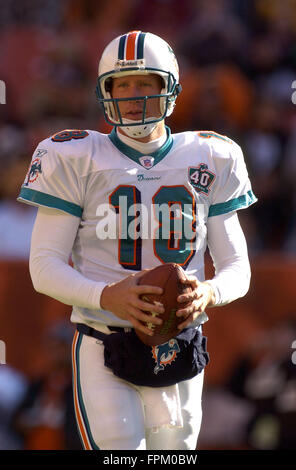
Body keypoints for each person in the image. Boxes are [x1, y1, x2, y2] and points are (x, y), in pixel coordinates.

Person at [17, 30, 257, 450]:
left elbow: (238, 266)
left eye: (145, 82)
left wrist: (209, 292)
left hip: (179, 337)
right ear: (104, 91)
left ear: (170, 89)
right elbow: (43, 266)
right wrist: (107, 295)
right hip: (103, 337)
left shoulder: (212, 155)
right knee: (119, 451)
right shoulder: (74, 155)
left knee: (174, 454)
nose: (132, 94)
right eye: (121, 84)